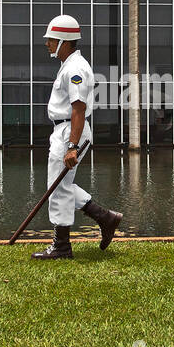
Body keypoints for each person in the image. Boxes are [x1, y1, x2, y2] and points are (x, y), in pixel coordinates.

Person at [32, 14, 123, 260]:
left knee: (58, 189)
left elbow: (78, 108)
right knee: (60, 187)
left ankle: (61, 246)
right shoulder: (69, 65)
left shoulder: (75, 69)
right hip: (64, 130)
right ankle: (105, 218)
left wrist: (72, 146)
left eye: (51, 39)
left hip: (70, 132)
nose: (47, 44)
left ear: (64, 41)